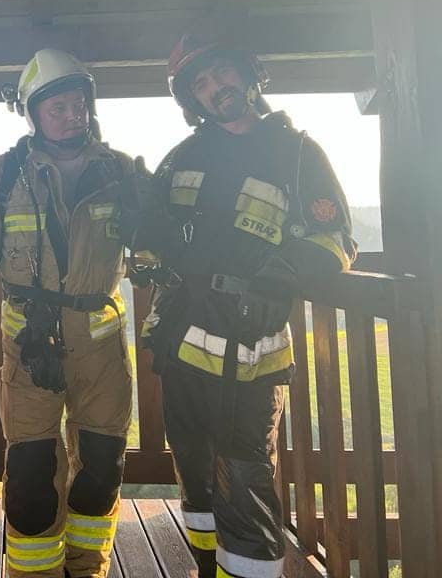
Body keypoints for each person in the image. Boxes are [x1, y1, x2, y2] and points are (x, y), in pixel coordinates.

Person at [132, 35, 357, 578]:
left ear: (249, 73)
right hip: (182, 345)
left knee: (244, 477)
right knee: (194, 468)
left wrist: (280, 277)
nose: (216, 89)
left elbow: (335, 241)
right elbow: (153, 244)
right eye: (201, 84)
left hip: (250, 352)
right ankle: (206, 566)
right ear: (192, 100)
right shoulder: (183, 157)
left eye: (222, 74)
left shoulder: (297, 154)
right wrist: (140, 222)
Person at [0, 50, 145, 578]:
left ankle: (87, 568)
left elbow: (155, 254)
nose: (73, 115)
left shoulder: (120, 172)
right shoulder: (5, 176)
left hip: (101, 352)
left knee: (101, 469)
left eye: (79, 105)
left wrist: (154, 221)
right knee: (31, 476)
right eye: (58, 108)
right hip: (29, 351)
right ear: (32, 114)